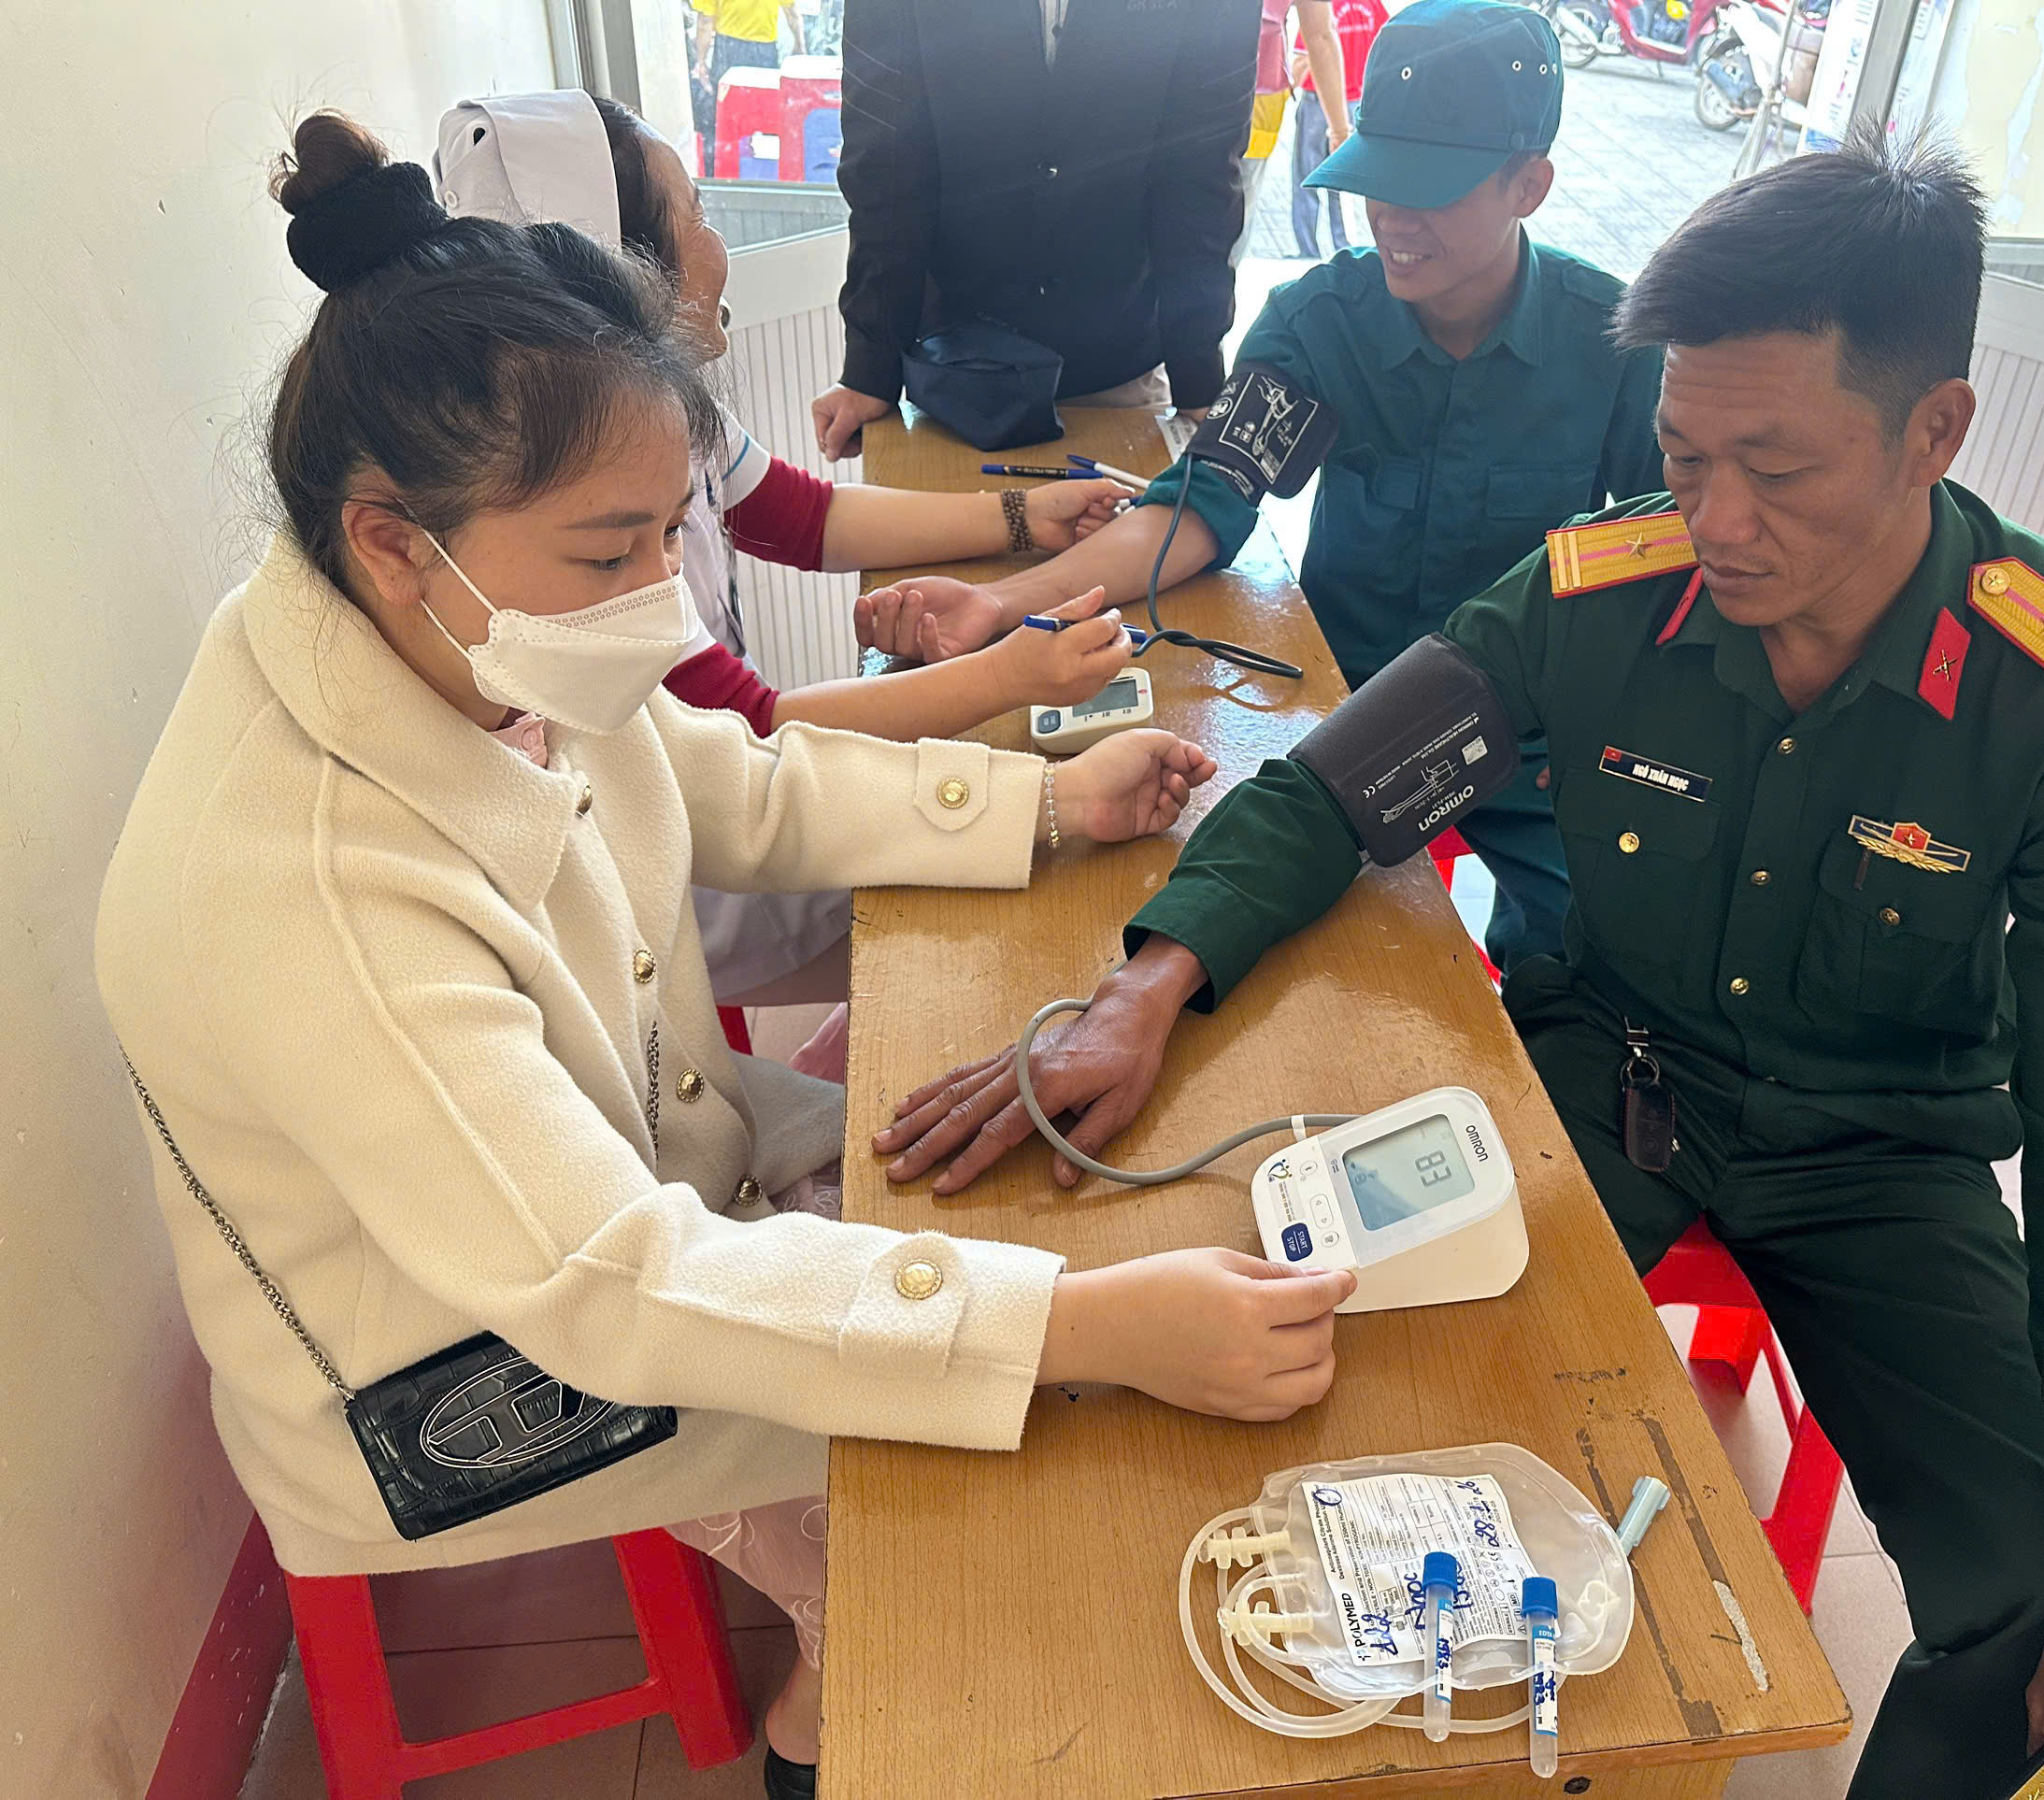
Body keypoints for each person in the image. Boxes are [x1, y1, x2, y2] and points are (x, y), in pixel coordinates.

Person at [879, 135, 2044, 1800]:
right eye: (1682, 455)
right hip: (1614, 1077)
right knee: (1330, 1376)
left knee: (2038, 1611)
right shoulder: (1604, 589)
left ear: (1933, 430)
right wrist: (1142, 991)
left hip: (1887, 1157)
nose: (1713, 521)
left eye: (1775, 470)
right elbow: (1338, 792)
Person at [94, 115, 1354, 1800]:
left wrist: (1045, 801)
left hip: (618, 1183)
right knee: (966, 1514)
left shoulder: (460, 620)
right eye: (609, 554)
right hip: (458, 1376)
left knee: (1023, 1220)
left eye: (661, 536)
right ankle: (826, 1731)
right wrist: (1077, 1328)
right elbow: (605, 1288)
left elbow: (734, 781)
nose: (658, 600)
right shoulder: (302, 885)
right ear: (391, 537)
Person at [855, 0, 1665, 977]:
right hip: (1346, 711)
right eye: (1379, 179)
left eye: (1433, 190)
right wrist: (1001, 606)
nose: (1394, 220)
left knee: (1590, 963)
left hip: (1532, 745)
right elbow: (1200, 507)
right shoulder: (1322, 323)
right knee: (1258, 948)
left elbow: (1667, 568)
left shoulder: (1618, 347)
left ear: (1529, 184)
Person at [436, 90, 1136, 1017]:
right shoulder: (584, 517)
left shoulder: (651, 419)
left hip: (725, 813)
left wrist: (1017, 515)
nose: (716, 245)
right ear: (624, 267)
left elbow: (803, 518)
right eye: (695, 215)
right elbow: (751, 730)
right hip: (693, 865)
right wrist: (1014, 681)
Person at [811, 0, 1258, 458]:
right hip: (959, 372)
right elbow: (886, 171)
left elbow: (1201, 180)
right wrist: (870, 368)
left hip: (1121, 366)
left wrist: (1199, 378)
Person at [1234, 1, 1352, 263]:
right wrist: (1339, 131)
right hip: (1257, 98)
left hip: (1181, 89)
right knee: (1228, 229)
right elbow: (1320, 35)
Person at [1290, 0, 1383, 257]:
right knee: (1341, 183)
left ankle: (1307, 252)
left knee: (1306, 178)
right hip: (1355, 103)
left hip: (1317, 101)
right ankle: (1342, 247)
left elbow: (1306, 55)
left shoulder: (1321, 8)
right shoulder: (1372, 5)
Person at [691, 0, 794, 167]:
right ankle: (768, 170)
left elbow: (705, 20)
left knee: (724, 115)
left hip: (728, 50)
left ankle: (723, 168)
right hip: (764, 50)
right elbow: (791, 12)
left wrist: (701, 61)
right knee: (766, 113)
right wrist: (800, 44)